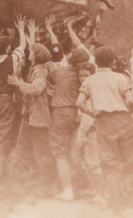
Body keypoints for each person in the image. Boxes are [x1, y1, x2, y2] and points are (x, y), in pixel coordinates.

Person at [76, 46, 133, 212]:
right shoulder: (120, 78)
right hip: (123, 119)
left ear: (96, 62)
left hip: (103, 122)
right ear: (113, 61)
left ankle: (116, 207)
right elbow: (131, 100)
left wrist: (93, 113)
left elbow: (79, 103)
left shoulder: (89, 80)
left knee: (110, 166)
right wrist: (129, 112)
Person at [8, 38, 55, 193]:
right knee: (25, 147)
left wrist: (19, 84)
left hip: (37, 117)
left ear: (36, 55)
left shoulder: (40, 71)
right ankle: (25, 181)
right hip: (31, 116)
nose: (29, 53)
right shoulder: (36, 69)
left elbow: (37, 88)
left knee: (40, 149)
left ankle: (45, 183)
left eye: (32, 51)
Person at [0, 16, 26, 183]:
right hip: (5, 101)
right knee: (2, 139)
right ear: (8, 48)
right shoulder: (13, 59)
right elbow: (23, 45)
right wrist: (22, 30)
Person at [47, 48, 90, 201]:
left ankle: (67, 189)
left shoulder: (59, 71)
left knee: (60, 152)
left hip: (61, 113)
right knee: (76, 151)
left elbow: (50, 75)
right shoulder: (85, 75)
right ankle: (90, 187)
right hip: (78, 113)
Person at [71, 62, 105, 204]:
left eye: (86, 75)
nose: (83, 78)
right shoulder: (82, 89)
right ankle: (92, 188)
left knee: (92, 160)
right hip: (83, 126)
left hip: (92, 125)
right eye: (80, 75)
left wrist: (94, 120)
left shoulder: (96, 89)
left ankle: (101, 193)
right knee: (76, 157)